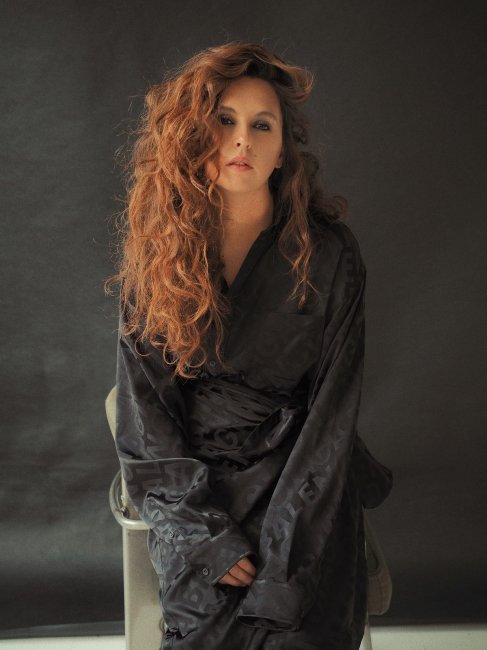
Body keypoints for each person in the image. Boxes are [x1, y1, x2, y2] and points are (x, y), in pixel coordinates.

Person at [105, 41, 393, 650]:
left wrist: (286, 563)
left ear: (283, 149)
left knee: (296, 628)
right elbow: (146, 422)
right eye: (224, 121)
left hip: (303, 485)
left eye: (262, 125)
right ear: (193, 137)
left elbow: (331, 418)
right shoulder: (155, 261)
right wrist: (203, 535)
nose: (242, 140)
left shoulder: (331, 255)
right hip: (203, 489)